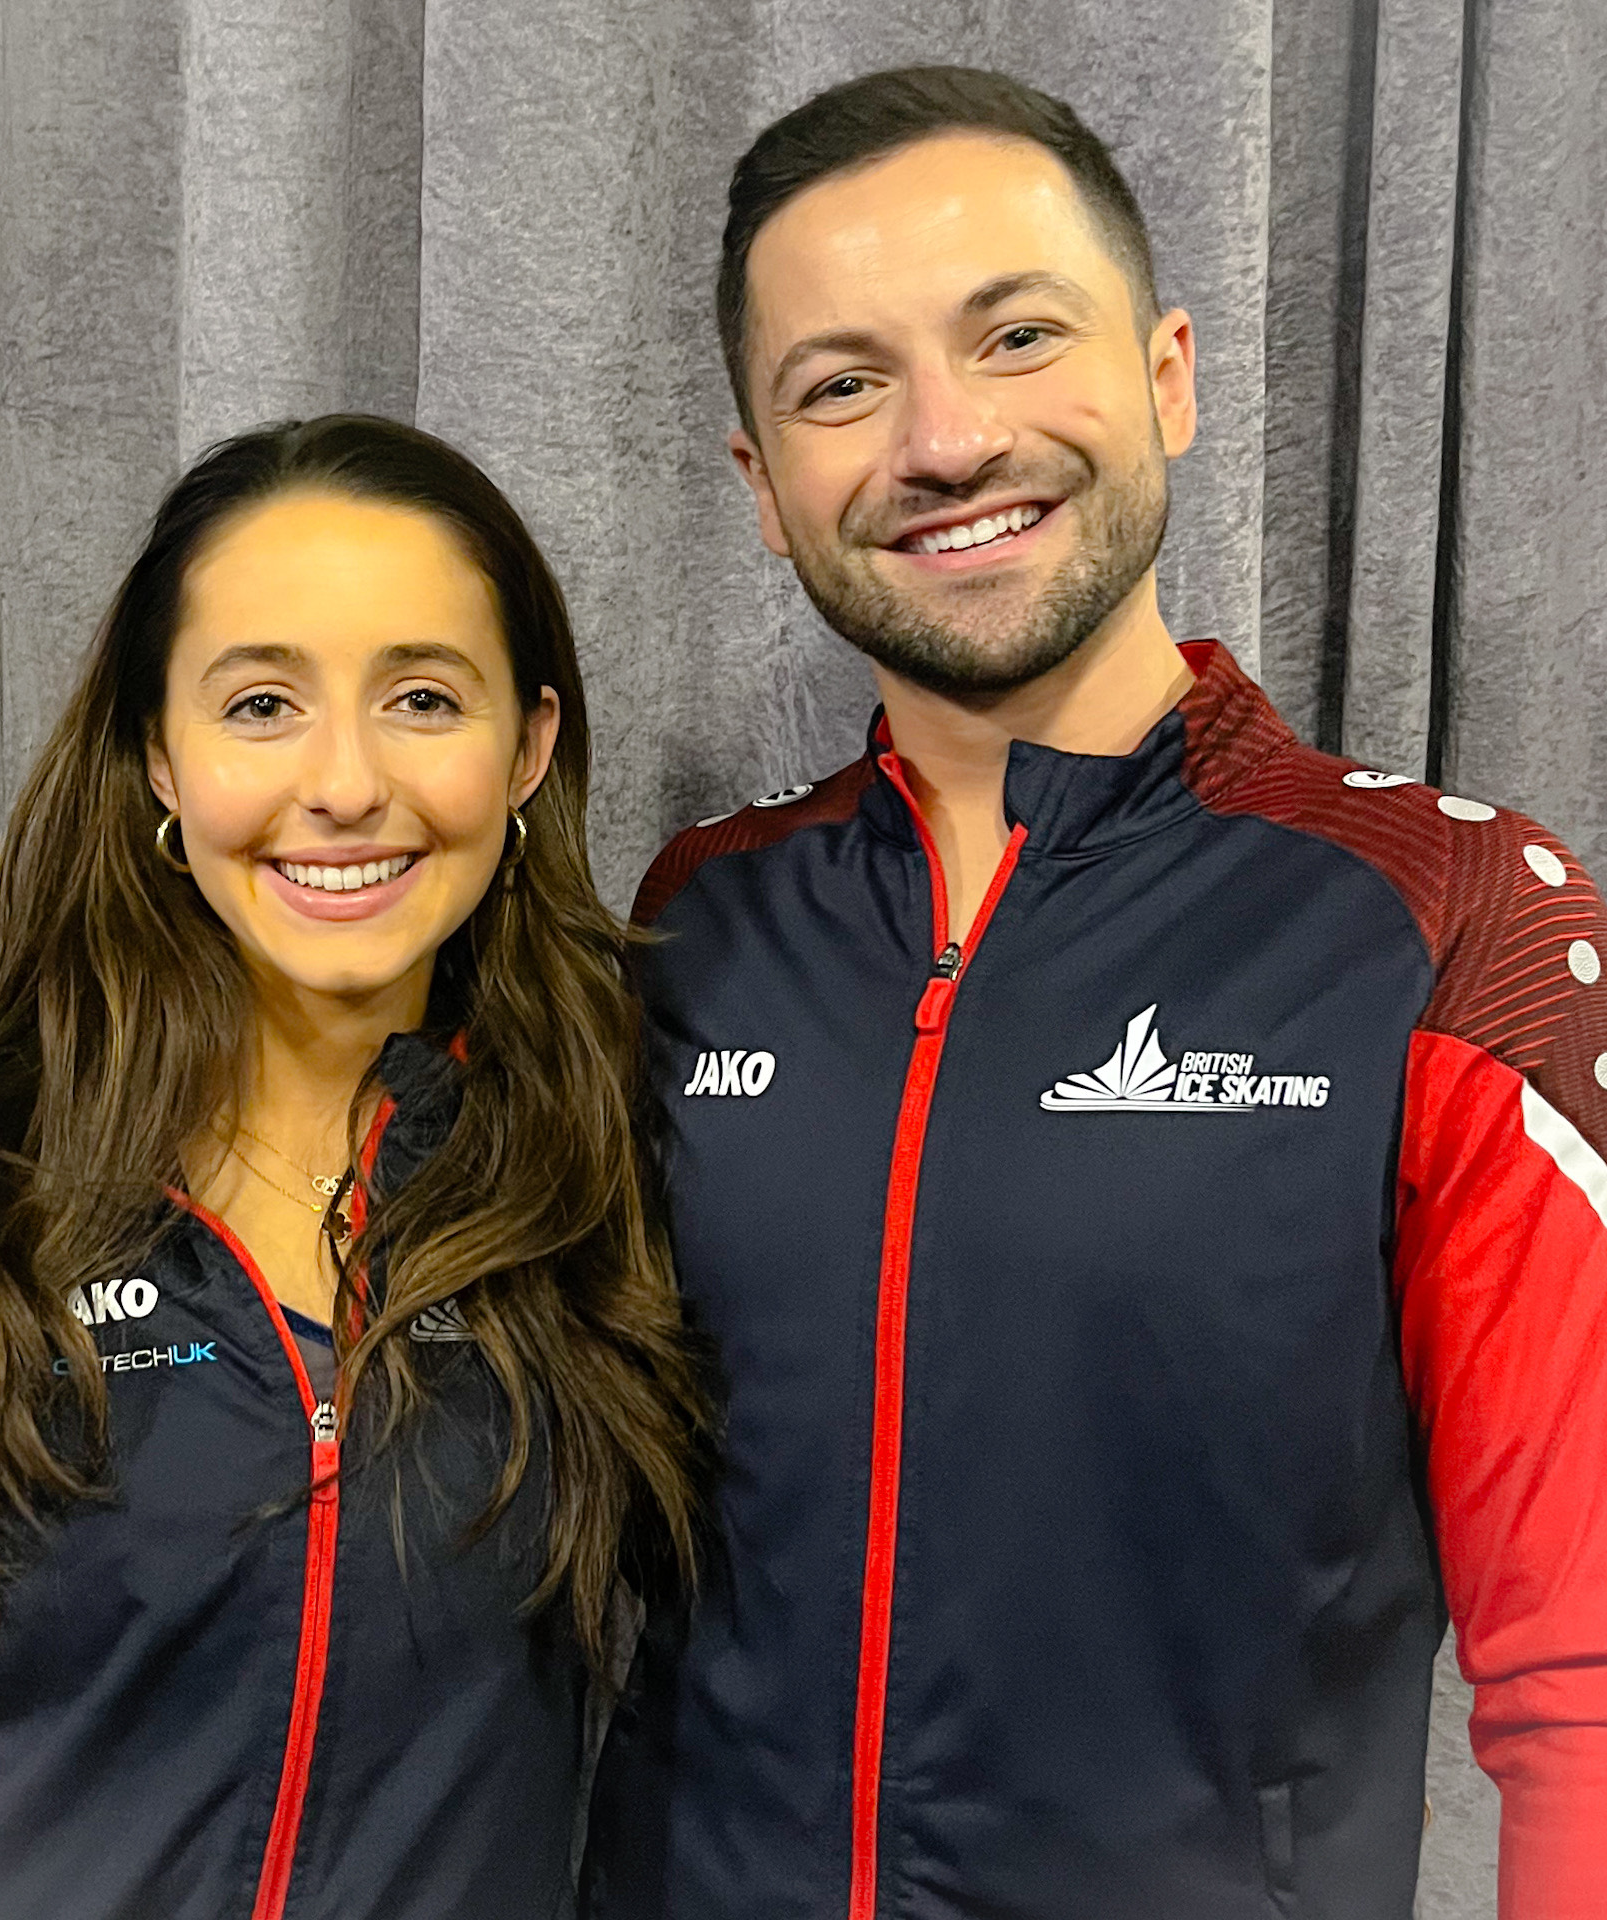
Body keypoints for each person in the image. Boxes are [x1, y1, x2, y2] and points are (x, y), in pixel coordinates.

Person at [583, 66, 1607, 1920]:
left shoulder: (1452, 923)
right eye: (841, 385)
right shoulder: (697, 921)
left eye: (1018, 336)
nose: (946, 439)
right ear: (762, 488)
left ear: (1169, 376)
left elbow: (1590, 1681)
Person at [0, 414, 707, 1919]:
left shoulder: (607, 1191)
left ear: (529, 749)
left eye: (424, 698)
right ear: (161, 755)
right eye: (262, 704)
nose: (345, 784)